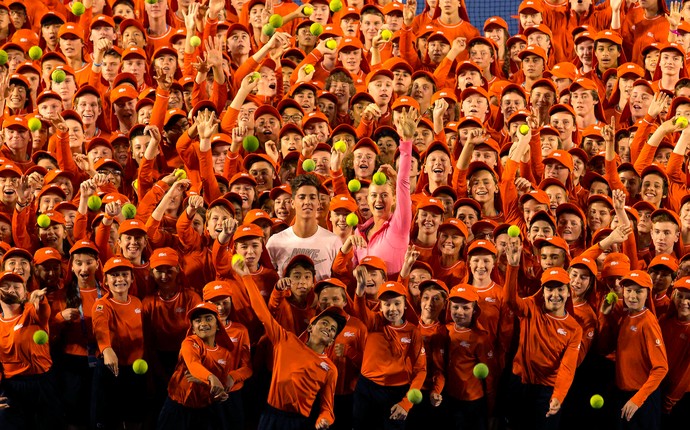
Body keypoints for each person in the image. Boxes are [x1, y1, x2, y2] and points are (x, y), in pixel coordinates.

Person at [233, 254, 346, 429]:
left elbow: (327, 409)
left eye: (333, 329)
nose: (328, 328)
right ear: (310, 327)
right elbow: (262, 312)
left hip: (301, 423)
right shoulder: (285, 340)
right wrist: (246, 276)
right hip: (271, 416)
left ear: (332, 340)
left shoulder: (330, 369)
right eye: (324, 323)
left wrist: (324, 420)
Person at [503, 233, 583, 430]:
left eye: (560, 289)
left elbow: (567, 368)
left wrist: (558, 396)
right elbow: (510, 301)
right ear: (543, 290)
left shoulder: (574, 328)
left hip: (547, 392)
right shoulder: (530, 306)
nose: (554, 295)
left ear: (568, 291)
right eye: (549, 289)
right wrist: (513, 267)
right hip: (518, 384)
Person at [599, 270, 668, 430]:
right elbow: (604, 348)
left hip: (642, 399)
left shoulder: (648, 322)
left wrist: (637, 400)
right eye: (628, 290)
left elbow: (661, 368)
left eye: (638, 291)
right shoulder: (626, 316)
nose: (632, 296)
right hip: (624, 395)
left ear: (647, 293)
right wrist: (605, 315)